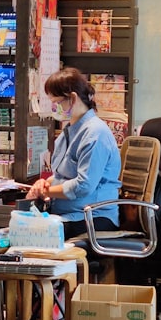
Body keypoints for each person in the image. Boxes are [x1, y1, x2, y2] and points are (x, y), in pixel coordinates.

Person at [26, 67, 121, 240]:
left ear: (73, 98)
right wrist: (44, 183)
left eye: (57, 102)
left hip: (92, 216)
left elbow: (84, 185)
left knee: (34, 234)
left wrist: (47, 192)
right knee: (22, 225)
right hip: (68, 213)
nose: (54, 108)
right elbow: (62, 174)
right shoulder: (68, 132)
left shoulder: (95, 133)